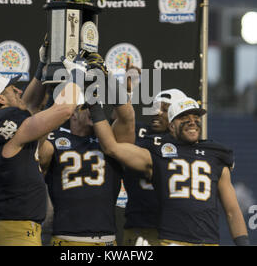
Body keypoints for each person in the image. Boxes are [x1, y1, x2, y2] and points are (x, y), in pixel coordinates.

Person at [90, 96, 250, 246]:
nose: (192, 122)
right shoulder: (158, 153)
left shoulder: (215, 155)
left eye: (196, 118)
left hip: (209, 241)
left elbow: (232, 211)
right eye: (185, 118)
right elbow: (111, 148)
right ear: (171, 126)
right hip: (172, 241)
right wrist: (94, 104)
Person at [0, 48, 86, 246]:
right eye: (12, 89)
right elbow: (64, 110)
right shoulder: (9, 128)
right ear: (0, 99)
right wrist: (77, 74)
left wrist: (42, 67)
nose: (19, 90)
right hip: (16, 236)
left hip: (12, 231)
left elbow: (29, 105)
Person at [38, 52, 135, 246]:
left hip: (107, 240)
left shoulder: (112, 140)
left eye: (96, 104)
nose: (93, 108)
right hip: (66, 240)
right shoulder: (55, 139)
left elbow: (127, 117)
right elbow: (38, 153)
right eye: (86, 106)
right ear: (72, 113)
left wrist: (105, 77)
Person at [122, 88, 186, 246]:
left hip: (173, 228)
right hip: (139, 224)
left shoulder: (186, 143)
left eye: (165, 109)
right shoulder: (138, 131)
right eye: (155, 107)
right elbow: (118, 124)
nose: (157, 112)